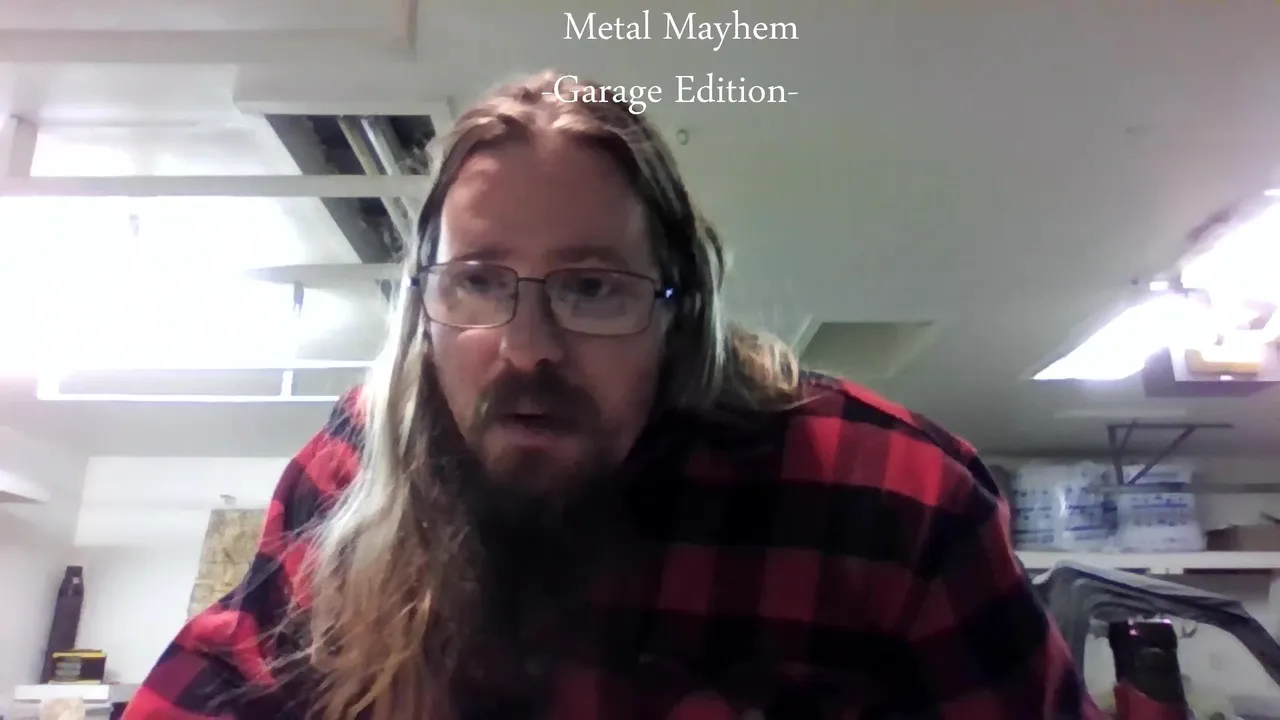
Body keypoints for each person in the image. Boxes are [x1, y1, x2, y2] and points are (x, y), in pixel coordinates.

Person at [125, 71, 1101, 720]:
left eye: (591, 289)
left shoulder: (894, 503)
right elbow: (217, 687)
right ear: (423, 305)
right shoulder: (365, 460)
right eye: (478, 282)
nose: (526, 350)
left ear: (680, 310)